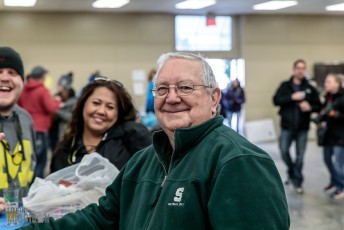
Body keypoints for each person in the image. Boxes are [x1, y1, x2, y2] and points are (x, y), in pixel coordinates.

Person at [19, 52, 289, 229]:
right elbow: (100, 219)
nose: (171, 98)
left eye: (185, 87)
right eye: (162, 89)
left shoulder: (238, 162)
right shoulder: (143, 161)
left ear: (214, 98)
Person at [50, 77, 152, 173]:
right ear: (83, 104)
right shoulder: (66, 149)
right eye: (96, 103)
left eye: (110, 107)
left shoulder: (133, 135)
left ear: (118, 113)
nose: (101, 111)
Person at [273, 59, 321, 194]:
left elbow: (318, 106)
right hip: (287, 127)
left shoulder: (310, 88)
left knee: (300, 157)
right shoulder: (285, 86)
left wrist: (310, 107)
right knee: (283, 151)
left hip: (302, 128)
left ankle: (297, 181)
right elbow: (276, 100)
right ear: (294, 69)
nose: (300, 71)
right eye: (298, 68)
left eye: (303, 68)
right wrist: (291, 97)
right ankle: (291, 172)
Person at [0, 47, 36, 213]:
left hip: (19, 216)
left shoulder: (26, 119)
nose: (4, 78)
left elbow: (32, 168)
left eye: (12, 73)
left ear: (22, 82)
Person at [17, 66, 62, 178]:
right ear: (42, 76)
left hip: (25, 128)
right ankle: (36, 190)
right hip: (40, 130)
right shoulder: (42, 90)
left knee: (28, 160)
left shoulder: (22, 90)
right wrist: (57, 102)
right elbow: (51, 108)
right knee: (39, 163)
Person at [316, 73, 344, 199]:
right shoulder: (328, 97)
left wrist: (336, 114)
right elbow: (324, 111)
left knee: (339, 164)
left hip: (340, 135)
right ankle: (335, 181)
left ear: (337, 83)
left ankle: (341, 186)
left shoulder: (342, 97)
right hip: (329, 134)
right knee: (327, 159)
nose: (325, 84)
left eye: (328, 81)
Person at [49, 72, 77, 152]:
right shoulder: (56, 97)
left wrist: (57, 111)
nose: (62, 92)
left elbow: (70, 117)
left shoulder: (73, 102)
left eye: (64, 90)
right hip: (53, 131)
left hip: (64, 132)